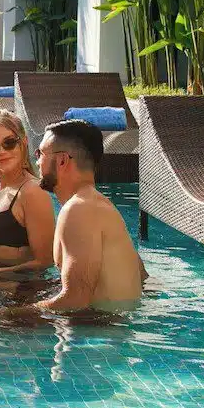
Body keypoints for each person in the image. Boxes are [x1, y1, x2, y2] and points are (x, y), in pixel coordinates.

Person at [34, 119, 146, 311]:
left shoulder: (78, 209)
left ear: (62, 160)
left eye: (40, 153)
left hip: (98, 335)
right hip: (113, 329)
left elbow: (75, 301)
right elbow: (141, 275)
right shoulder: (101, 205)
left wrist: (1, 316)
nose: (36, 161)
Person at [0, 110, 56, 277]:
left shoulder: (32, 191)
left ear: (23, 143)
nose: (2, 151)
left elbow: (45, 261)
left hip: (20, 294)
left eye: (9, 143)